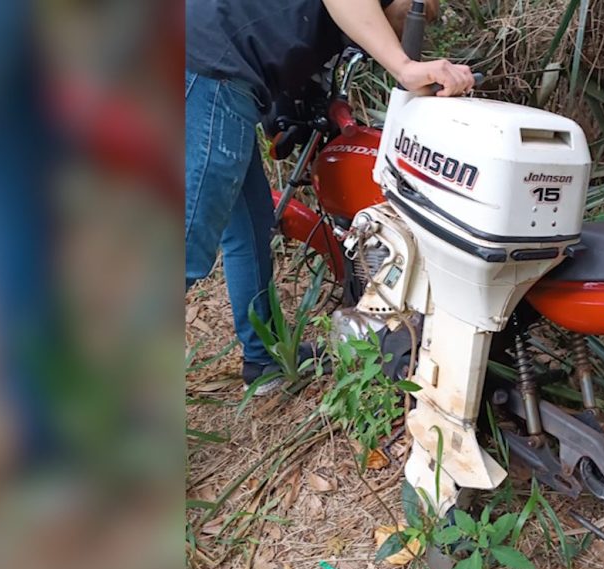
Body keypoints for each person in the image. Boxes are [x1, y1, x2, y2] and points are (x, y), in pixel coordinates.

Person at [185, 0, 474, 395]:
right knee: (187, 247)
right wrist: (405, 68)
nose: (413, 28)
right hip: (209, 73)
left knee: (251, 231)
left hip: (223, 75)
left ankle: (265, 359)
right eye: (418, 12)